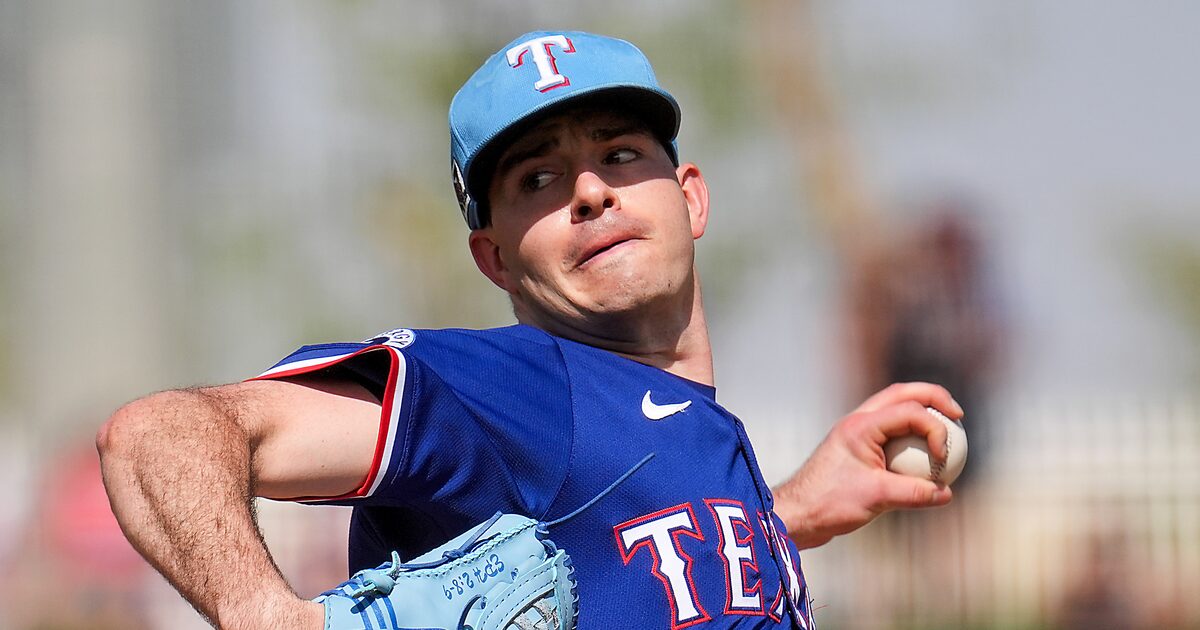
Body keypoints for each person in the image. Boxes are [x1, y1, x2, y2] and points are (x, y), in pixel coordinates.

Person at [97, 30, 961, 629]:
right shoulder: (516, 387)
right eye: (540, 179)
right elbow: (158, 435)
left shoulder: (676, 420)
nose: (589, 190)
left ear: (690, 196)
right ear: (495, 259)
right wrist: (267, 618)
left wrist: (785, 514)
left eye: (620, 154)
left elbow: (616, 552)